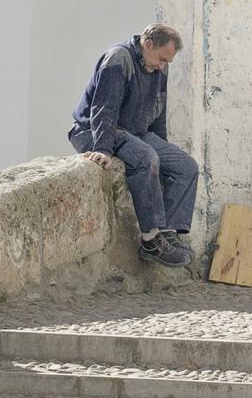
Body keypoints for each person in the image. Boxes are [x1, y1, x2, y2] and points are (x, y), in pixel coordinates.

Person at [68, 24, 199, 269]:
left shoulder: (160, 67)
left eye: (167, 61)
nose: (162, 66)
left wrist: (164, 148)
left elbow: (158, 114)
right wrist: (103, 149)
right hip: (96, 131)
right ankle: (151, 240)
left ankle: (167, 232)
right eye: (161, 58)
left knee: (186, 166)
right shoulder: (119, 59)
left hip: (136, 132)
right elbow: (103, 108)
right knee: (145, 158)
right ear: (148, 44)